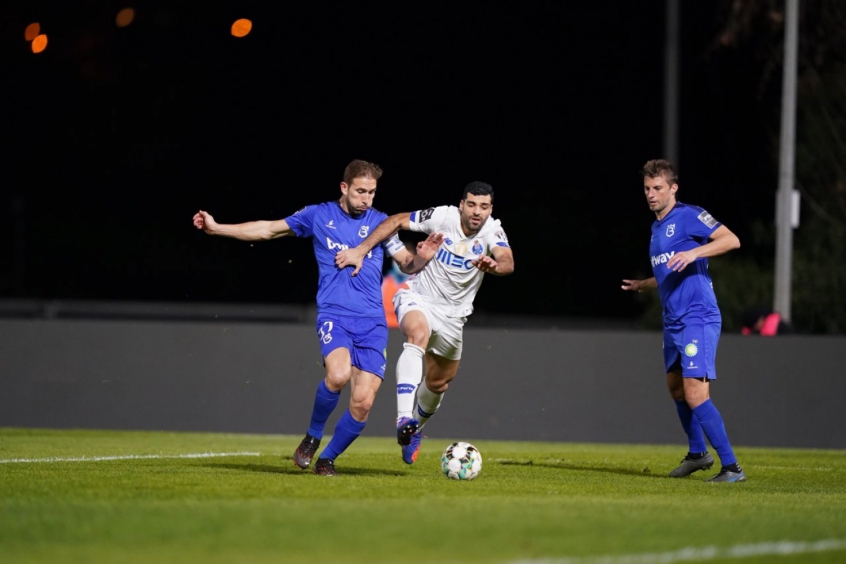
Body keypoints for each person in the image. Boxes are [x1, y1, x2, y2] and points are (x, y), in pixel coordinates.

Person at [192, 159, 441, 476]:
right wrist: (217, 228)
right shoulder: (318, 216)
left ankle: (327, 459)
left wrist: (422, 257)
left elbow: (406, 263)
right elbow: (268, 229)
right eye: (361, 191)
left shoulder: (380, 223)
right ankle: (311, 437)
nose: (367, 199)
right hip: (334, 314)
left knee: (363, 403)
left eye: (372, 192)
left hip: (373, 323)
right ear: (344, 187)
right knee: (337, 375)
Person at [335, 181, 514, 465]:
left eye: (483, 206)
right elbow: (395, 220)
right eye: (471, 204)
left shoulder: (493, 230)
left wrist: (494, 266)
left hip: (454, 318)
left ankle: (414, 429)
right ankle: (404, 417)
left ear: (490, 209)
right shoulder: (442, 217)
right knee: (417, 334)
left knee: (439, 382)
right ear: (461, 204)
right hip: (418, 298)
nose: (477, 212)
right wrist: (361, 248)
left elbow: (507, 261)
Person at [621, 159, 746, 483]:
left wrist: (694, 253)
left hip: (698, 317)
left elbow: (731, 240)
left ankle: (732, 468)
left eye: (658, 188)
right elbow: (668, 270)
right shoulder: (657, 228)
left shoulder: (689, 215)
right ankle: (697, 454)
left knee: (695, 394)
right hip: (673, 320)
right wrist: (644, 284)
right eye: (647, 188)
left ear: (673, 188)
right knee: (676, 389)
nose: (651, 194)